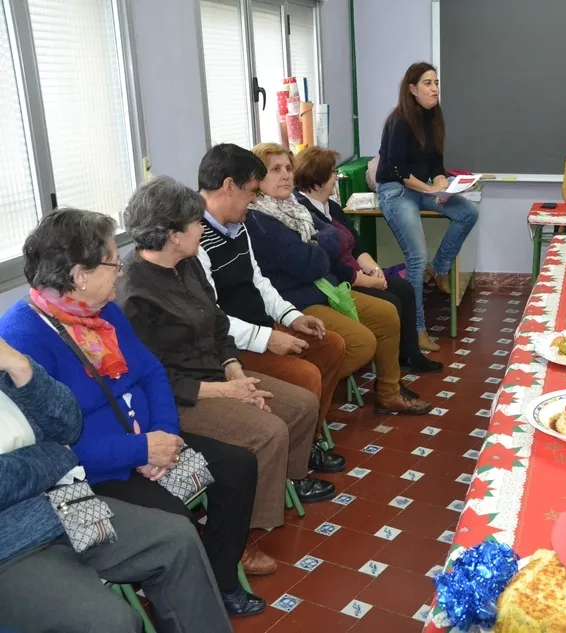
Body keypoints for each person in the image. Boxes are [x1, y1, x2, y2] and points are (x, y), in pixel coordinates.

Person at [0, 210, 265, 617]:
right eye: (111, 261)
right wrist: (140, 450)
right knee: (172, 519)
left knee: (238, 466)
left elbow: (152, 372)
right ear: (79, 274)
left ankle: (216, 579)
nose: (120, 270)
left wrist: (165, 437)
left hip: (148, 441)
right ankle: (177, 607)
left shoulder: (103, 311)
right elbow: (60, 441)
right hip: (100, 468)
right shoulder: (22, 337)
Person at [114, 180, 339, 532]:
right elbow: (154, 380)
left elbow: (218, 324)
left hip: (218, 376)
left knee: (302, 404)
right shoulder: (133, 295)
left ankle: (287, 482)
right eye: (195, 222)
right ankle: (252, 527)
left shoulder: (187, 264)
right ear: (173, 234)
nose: (202, 227)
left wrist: (234, 370)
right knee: (268, 431)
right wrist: (226, 392)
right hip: (181, 398)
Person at [0, 339, 234, 633]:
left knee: (177, 538)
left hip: (63, 502)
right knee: (112, 622)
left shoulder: (6, 364)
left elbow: (70, 427)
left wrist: (21, 368)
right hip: (11, 545)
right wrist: (56, 456)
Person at [246, 143, 433, 415]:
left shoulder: (293, 205)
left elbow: (332, 235)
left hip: (326, 288)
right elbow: (311, 265)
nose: (286, 175)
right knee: (362, 342)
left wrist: (317, 245)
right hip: (298, 302)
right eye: (275, 170)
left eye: (288, 167)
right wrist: (318, 247)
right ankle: (306, 394)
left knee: (387, 313)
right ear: (257, 178)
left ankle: (388, 393)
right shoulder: (258, 219)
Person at [191, 146, 349, 437]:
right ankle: (294, 454)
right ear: (228, 186)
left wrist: (291, 317)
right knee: (305, 375)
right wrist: (266, 338)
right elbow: (210, 319)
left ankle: (309, 438)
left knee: (331, 345)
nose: (254, 200)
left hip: (262, 329)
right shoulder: (193, 239)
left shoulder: (238, 225)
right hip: (231, 347)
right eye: (251, 192)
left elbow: (259, 281)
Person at [293, 145, 443, 374]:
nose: (336, 177)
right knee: (390, 302)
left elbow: (356, 244)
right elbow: (331, 265)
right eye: (332, 172)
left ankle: (410, 355)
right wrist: (366, 281)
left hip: (358, 273)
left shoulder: (330, 206)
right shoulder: (303, 212)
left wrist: (374, 270)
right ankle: (388, 371)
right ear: (319, 178)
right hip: (339, 282)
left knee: (403, 288)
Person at [375, 61, 479, 352]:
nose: (435, 89)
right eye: (428, 83)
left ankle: (441, 268)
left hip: (420, 187)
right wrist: (431, 188)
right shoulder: (398, 121)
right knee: (416, 257)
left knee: (467, 212)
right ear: (412, 89)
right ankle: (417, 330)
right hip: (396, 190)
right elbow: (397, 170)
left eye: (436, 83)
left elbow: (435, 163)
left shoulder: (433, 118)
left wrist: (442, 181)